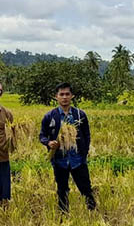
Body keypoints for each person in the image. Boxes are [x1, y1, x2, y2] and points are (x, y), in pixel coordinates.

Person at [39, 82, 96, 213]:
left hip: (78, 159)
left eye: (67, 94)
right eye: (61, 94)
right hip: (60, 160)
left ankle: (92, 211)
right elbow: (42, 135)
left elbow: (87, 136)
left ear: (72, 96)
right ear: (56, 97)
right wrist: (48, 143)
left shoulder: (79, 115)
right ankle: (63, 215)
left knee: (85, 187)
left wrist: (84, 153)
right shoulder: (50, 116)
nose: (64, 97)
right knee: (62, 189)